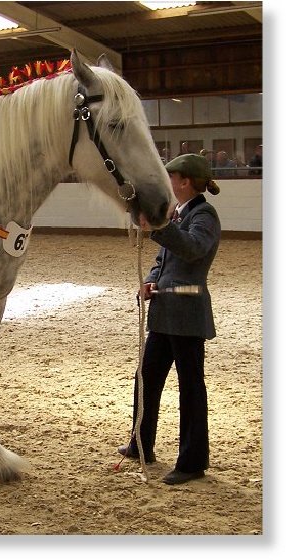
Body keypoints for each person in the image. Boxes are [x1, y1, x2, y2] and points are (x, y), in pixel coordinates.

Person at [117, 153, 221, 485]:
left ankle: (192, 461)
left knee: (191, 389)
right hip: (166, 312)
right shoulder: (180, 213)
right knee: (146, 379)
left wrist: (159, 228)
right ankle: (141, 442)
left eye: (172, 177)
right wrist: (150, 281)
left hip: (187, 315)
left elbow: (192, 249)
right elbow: (163, 261)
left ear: (185, 181)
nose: (169, 183)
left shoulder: (204, 215)